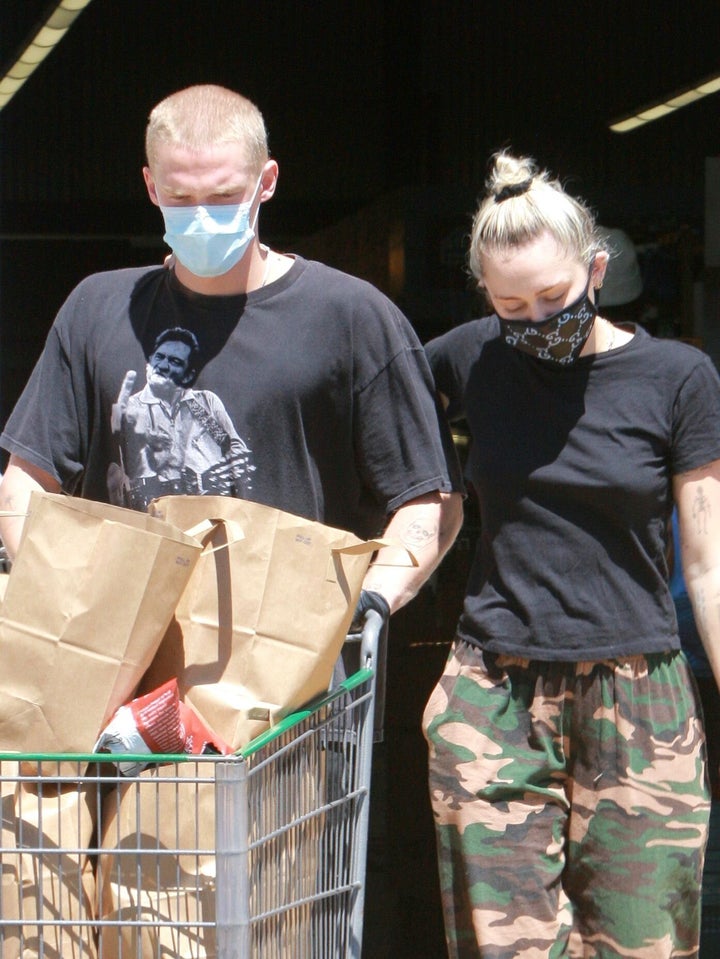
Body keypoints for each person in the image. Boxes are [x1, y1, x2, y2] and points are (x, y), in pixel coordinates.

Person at [0, 84, 463, 627]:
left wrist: (369, 602)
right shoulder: (97, 310)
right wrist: (68, 591)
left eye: (222, 197)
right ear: (150, 186)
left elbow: (430, 497)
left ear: (266, 182)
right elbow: (26, 480)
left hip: (287, 669)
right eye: (179, 197)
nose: (200, 217)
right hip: (127, 651)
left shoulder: (351, 318)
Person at [422, 150, 720, 958]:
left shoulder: (677, 378)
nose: (533, 318)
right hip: (494, 693)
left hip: (639, 692)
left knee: (644, 938)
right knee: (506, 944)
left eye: (553, 297)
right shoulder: (469, 359)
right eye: (508, 303)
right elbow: (380, 428)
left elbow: (707, 561)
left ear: (596, 268)